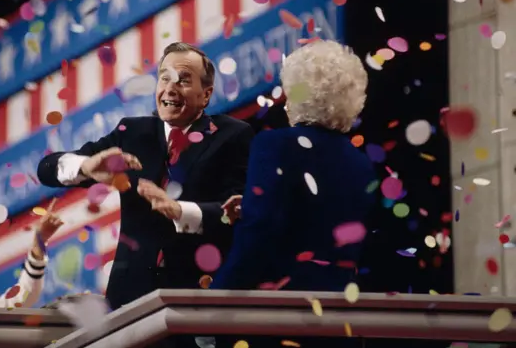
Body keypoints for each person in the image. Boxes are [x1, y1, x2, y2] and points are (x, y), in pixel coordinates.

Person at [37, 42, 254, 312]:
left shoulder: (233, 135)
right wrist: (86, 166)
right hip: (129, 301)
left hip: (199, 301)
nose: (170, 88)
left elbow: (240, 211)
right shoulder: (132, 132)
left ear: (206, 95)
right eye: (165, 77)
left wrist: (180, 211)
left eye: (184, 80)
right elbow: (46, 169)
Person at [210, 40, 376, 347]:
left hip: (279, 323)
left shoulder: (275, 145)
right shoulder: (361, 163)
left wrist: (215, 300)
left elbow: (260, 231)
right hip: (339, 327)